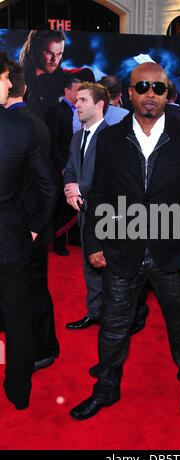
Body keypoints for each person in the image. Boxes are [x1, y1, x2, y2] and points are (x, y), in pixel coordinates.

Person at [69, 62, 180, 421]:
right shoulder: (110, 138)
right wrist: (94, 242)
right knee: (112, 325)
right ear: (129, 93)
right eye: (143, 88)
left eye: (158, 88)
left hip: (173, 251)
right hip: (122, 248)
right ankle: (105, 388)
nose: (150, 95)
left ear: (168, 94)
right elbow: (101, 195)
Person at [0, 52, 58, 409]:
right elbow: (49, 186)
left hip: (12, 240)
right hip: (12, 242)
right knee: (17, 316)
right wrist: (35, 228)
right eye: (4, 78)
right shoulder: (21, 127)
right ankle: (19, 391)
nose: (9, 83)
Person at [63, 82, 110, 330]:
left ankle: (117, 317)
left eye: (83, 100)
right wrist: (70, 188)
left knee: (109, 266)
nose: (76, 104)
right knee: (88, 264)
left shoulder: (113, 136)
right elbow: (71, 167)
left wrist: (80, 188)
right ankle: (95, 312)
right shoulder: (77, 137)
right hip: (83, 212)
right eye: (77, 100)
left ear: (99, 104)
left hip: (107, 215)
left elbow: (109, 177)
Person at [46, 76, 82, 256]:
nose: (80, 94)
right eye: (77, 90)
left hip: (77, 166)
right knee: (61, 205)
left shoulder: (81, 111)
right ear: (67, 90)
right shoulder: (56, 111)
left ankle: (75, 236)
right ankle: (58, 242)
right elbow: (52, 142)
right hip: (61, 167)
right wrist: (61, 168)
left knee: (75, 203)